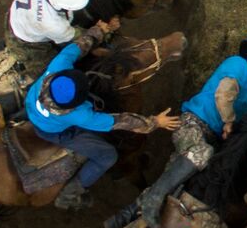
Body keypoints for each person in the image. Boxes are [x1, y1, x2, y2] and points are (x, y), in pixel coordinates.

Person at [104, 34, 247, 228]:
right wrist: (229, 123)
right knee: (201, 153)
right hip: (194, 123)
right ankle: (153, 197)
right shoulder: (237, 65)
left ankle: (125, 216)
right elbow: (224, 94)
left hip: (214, 135)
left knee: (182, 177)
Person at [24, 33, 179, 210]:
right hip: (52, 131)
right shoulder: (79, 114)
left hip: (31, 105)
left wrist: (98, 31)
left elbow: (77, 47)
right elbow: (117, 121)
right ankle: (70, 193)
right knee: (107, 155)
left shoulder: (56, 68)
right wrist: (155, 122)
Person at [5, 0, 113, 77]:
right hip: (25, 41)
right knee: (52, 74)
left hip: (16, 14)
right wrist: (99, 31)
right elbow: (78, 37)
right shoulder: (53, 24)